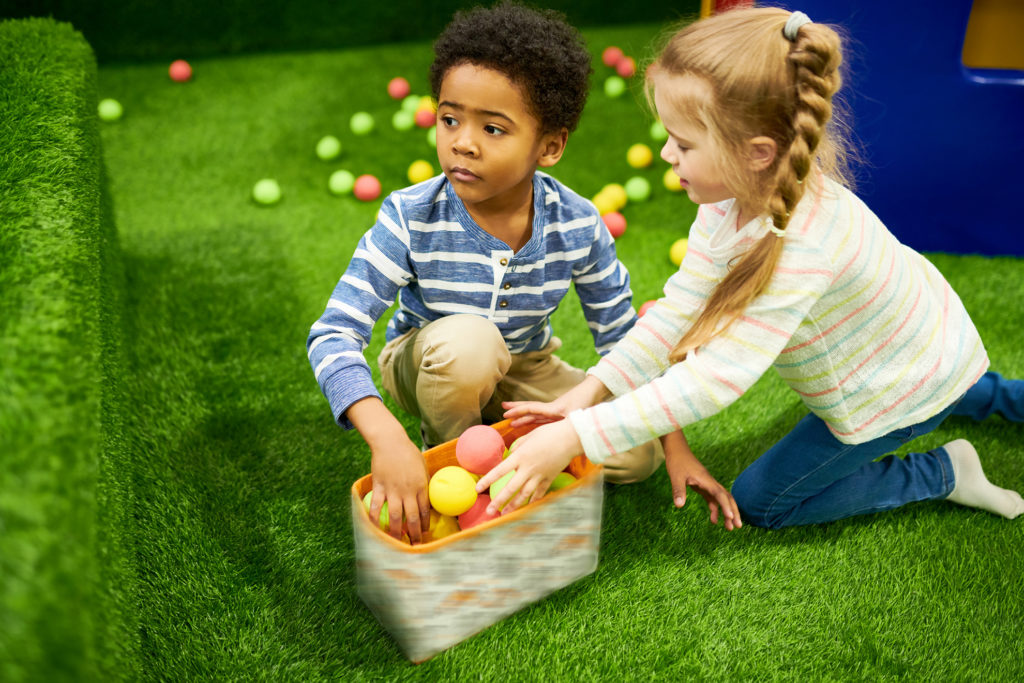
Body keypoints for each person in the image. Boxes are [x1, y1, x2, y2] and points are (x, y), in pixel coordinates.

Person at [478, 6, 1024, 529]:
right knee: (951, 382)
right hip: (916, 348)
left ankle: (947, 470)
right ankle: (973, 392)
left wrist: (576, 438)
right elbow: (677, 314)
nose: (668, 155)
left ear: (758, 152)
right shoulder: (726, 202)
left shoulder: (803, 247)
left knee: (765, 501)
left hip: (897, 377)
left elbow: (717, 377)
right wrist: (590, 391)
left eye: (684, 143)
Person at [307, 2, 669, 543]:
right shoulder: (410, 215)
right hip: (428, 361)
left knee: (640, 453)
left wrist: (579, 422)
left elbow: (621, 337)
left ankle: (507, 443)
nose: (462, 142)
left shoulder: (578, 222)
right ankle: (449, 452)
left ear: (550, 146)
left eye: (493, 128)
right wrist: (387, 439)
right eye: (450, 119)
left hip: (527, 366)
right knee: (471, 344)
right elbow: (333, 333)